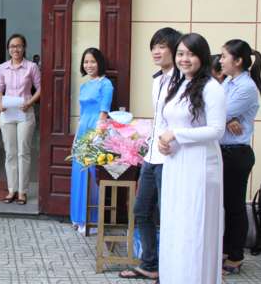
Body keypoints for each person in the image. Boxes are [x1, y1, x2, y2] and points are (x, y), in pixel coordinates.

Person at [158, 33, 226, 284]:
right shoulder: (177, 85)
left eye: (191, 54)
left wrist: (177, 135)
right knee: (175, 224)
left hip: (200, 165)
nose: (184, 59)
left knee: (195, 226)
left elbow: (217, 130)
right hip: (176, 163)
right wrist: (164, 142)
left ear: (202, 57)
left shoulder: (212, 88)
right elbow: (169, 123)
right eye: (180, 54)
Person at [120, 27, 181, 280]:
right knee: (141, 210)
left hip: (171, 157)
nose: (156, 51)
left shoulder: (183, 81)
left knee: (168, 214)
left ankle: (172, 267)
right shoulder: (158, 80)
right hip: (151, 156)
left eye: (162, 46)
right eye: (154, 46)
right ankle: (150, 264)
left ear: (175, 50)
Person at [219, 39, 261, 274]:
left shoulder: (246, 87)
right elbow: (217, 109)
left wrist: (226, 117)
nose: (220, 60)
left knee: (235, 206)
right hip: (225, 152)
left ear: (237, 61)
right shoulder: (228, 81)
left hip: (236, 154)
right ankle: (226, 250)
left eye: (224, 56)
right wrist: (228, 119)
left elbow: (216, 112)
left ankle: (235, 256)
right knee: (225, 205)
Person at [69, 47, 113, 231]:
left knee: (91, 175)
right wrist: (76, 138)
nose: (89, 65)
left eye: (92, 61)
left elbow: (104, 112)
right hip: (82, 131)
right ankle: (78, 217)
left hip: (96, 131)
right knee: (79, 173)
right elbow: (82, 114)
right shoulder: (84, 86)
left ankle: (91, 220)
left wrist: (97, 135)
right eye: (86, 62)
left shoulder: (106, 84)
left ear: (99, 63)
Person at [0, 34, 41, 205]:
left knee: (23, 153)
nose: (15, 49)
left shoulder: (31, 67)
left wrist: (30, 102)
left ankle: (22, 191)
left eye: (19, 46)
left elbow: (40, 88)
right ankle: (11, 190)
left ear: (24, 48)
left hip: (25, 114)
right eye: (12, 46)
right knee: (10, 153)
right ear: (8, 49)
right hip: (7, 113)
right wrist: (0, 103)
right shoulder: (3, 67)